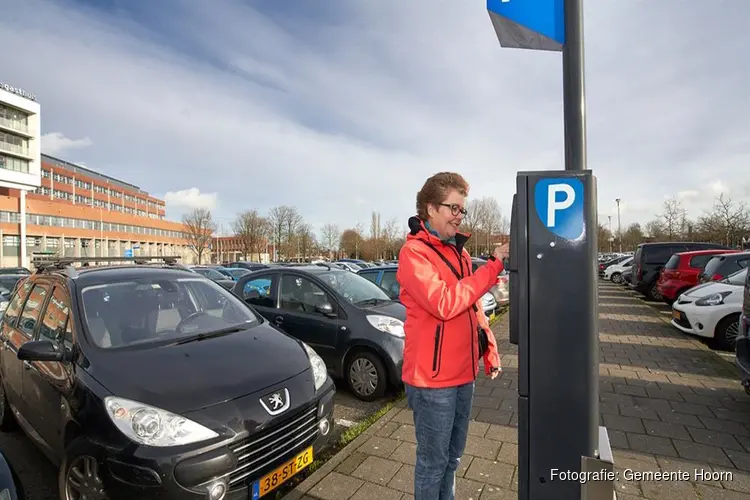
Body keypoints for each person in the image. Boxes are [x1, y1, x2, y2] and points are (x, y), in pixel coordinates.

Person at [397, 172, 508, 500]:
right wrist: (492, 267)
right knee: (433, 463)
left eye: (462, 209)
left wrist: (489, 346)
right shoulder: (413, 254)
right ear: (430, 209)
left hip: (463, 375)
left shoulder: (456, 252)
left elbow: (471, 306)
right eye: (453, 208)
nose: (459, 216)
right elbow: (445, 303)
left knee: (453, 459)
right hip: (432, 382)